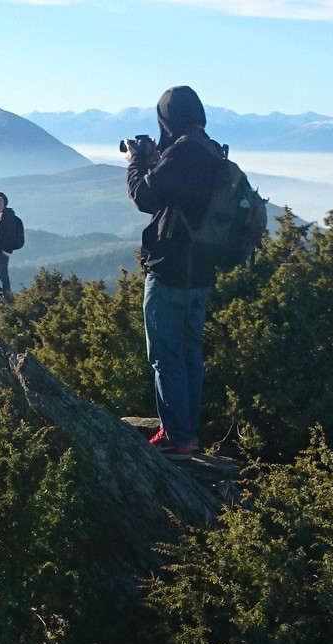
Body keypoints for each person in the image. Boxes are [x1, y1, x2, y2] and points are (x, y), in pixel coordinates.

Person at [125, 86, 229, 461]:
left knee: (166, 356)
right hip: (201, 272)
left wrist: (137, 161)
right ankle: (187, 433)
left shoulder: (183, 152)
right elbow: (180, 194)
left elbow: (146, 197)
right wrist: (157, 158)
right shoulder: (209, 148)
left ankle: (177, 438)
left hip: (171, 272)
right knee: (189, 355)